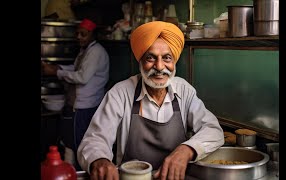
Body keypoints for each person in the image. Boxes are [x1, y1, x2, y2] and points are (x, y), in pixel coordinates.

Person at [77, 21, 224, 180]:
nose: (160, 67)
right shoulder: (120, 93)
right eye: (151, 58)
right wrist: (100, 160)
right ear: (140, 61)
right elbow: (95, 140)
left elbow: (213, 130)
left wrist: (186, 150)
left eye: (166, 58)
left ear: (174, 61)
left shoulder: (184, 91)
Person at [41, 18, 110, 170]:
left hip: (85, 105)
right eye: (77, 33)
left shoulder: (96, 52)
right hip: (79, 104)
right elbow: (76, 68)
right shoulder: (85, 50)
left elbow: (82, 77)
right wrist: (58, 67)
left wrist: (56, 72)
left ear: (92, 35)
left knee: (81, 144)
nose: (79, 37)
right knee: (73, 142)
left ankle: (81, 172)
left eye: (83, 34)